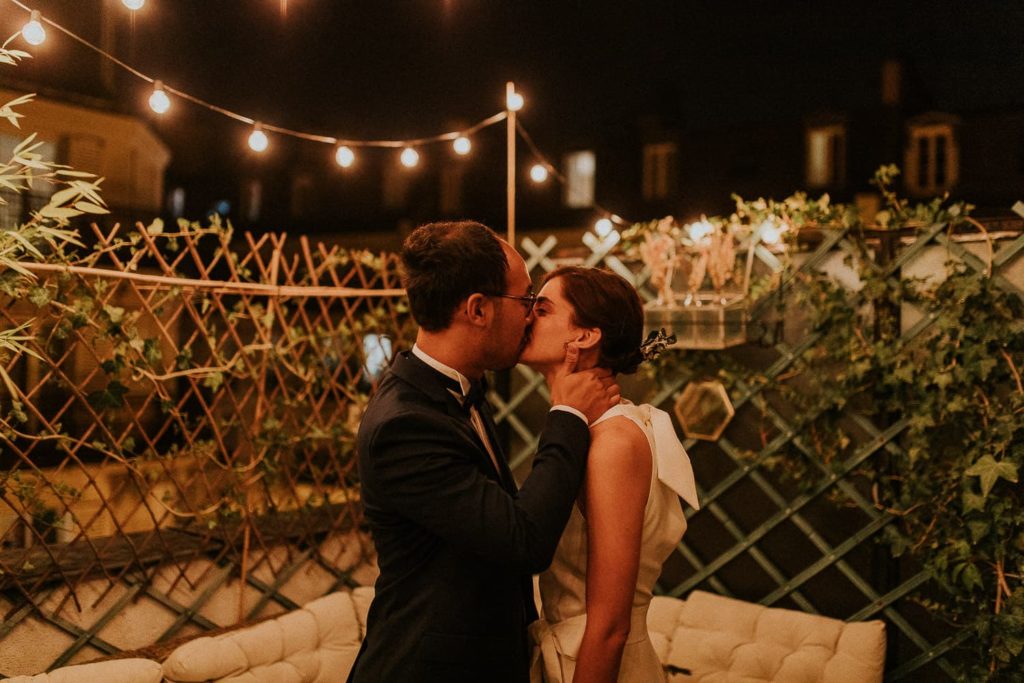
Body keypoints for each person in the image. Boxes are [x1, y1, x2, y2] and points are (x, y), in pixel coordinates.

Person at [349, 221, 621, 682]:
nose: (531, 315)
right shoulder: (405, 424)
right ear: (478, 309)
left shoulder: (464, 389)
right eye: (525, 301)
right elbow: (524, 540)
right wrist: (568, 416)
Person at [520, 266, 700, 683]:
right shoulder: (586, 433)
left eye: (542, 309)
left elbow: (610, 626)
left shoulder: (614, 442)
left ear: (585, 336)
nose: (527, 317)